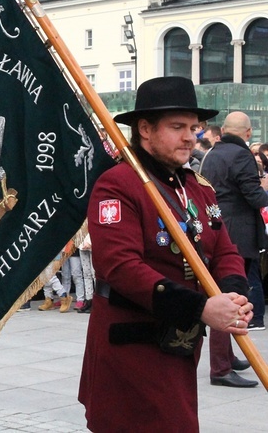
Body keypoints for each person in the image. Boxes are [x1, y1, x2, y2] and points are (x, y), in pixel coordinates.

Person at [79, 77, 253, 431]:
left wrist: (234, 293)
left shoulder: (197, 188)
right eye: (177, 127)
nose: (190, 136)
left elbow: (224, 250)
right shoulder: (118, 183)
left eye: (194, 127)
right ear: (145, 129)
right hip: (132, 346)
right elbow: (120, 267)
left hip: (179, 345)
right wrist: (201, 307)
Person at [200, 111, 268, 388]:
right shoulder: (241, 156)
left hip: (216, 229)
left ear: (223, 130)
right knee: (231, 298)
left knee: (223, 291)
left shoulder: (211, 154)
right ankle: (221, 368)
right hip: (237, 234)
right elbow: (253, 195)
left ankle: (227, 355)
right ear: (248, 133)